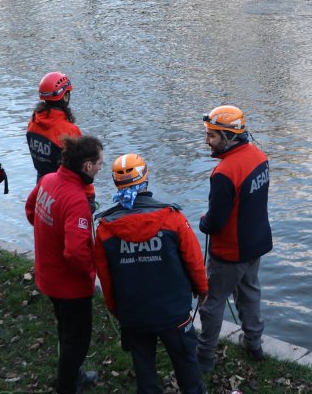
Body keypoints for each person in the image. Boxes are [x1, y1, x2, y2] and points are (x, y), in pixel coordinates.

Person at [93, 154, 208, 394]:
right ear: (145, 177)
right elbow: (194, 260)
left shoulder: (105, 229)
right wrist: (202, 288)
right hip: (174, 312)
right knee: (186, 363)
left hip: (133, 312)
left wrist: (115, 308)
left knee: (144, 367)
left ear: (116, 183)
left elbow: (105, 277)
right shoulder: (172, 218)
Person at [195, 105, 272, 372]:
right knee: (250, 292)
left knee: (212, 301)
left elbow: (215, 222)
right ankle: (254, 343)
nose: (207, 141)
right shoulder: (260, 157)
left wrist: (203, 222)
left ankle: (204, 356)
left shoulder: (224, 173)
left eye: (212, 135)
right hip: (256, 242)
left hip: (230, 251)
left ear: (229, 137)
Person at [26, 135, 104, 394]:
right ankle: (67, 385)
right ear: (87, 166)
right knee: (77, 341)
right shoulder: (76, 200)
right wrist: (90, 275)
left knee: (65, 330)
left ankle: (71, 375)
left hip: (47, 275)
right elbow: (76, 253)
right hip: (70, 287)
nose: (100, 168)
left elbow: (30, 210)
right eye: (99, 164)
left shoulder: (48, 180)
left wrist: (49, 233)